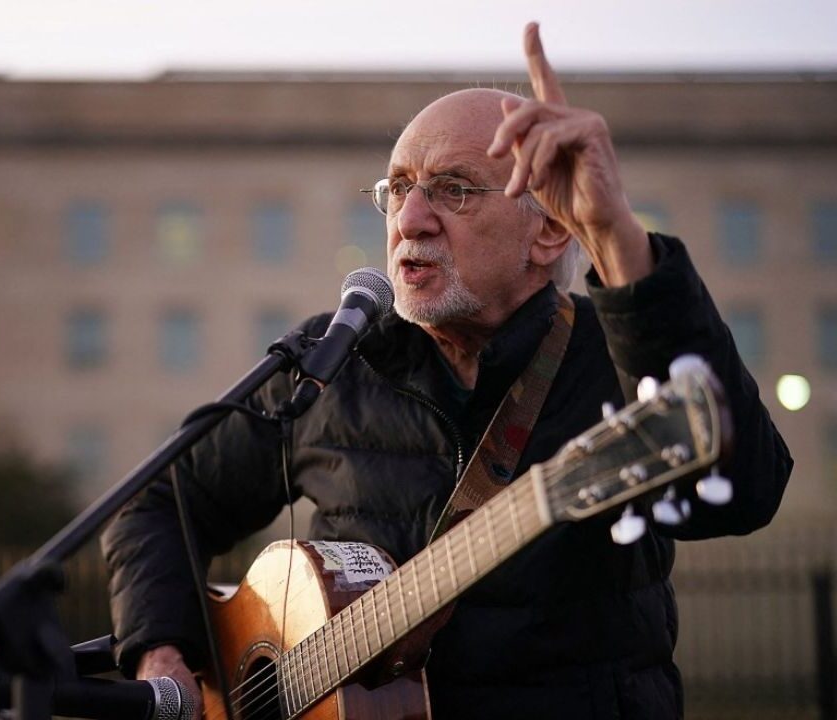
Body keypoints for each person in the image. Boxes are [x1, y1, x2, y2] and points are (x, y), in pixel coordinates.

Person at [102, 23, 792, 719]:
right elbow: (157, 501)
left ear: (548, 229)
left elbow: (747, 490)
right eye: (397, 190)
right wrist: (162, 651)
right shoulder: (331, 360)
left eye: (454, 190)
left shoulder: (620, 356)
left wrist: (614, 233)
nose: (411, 218)